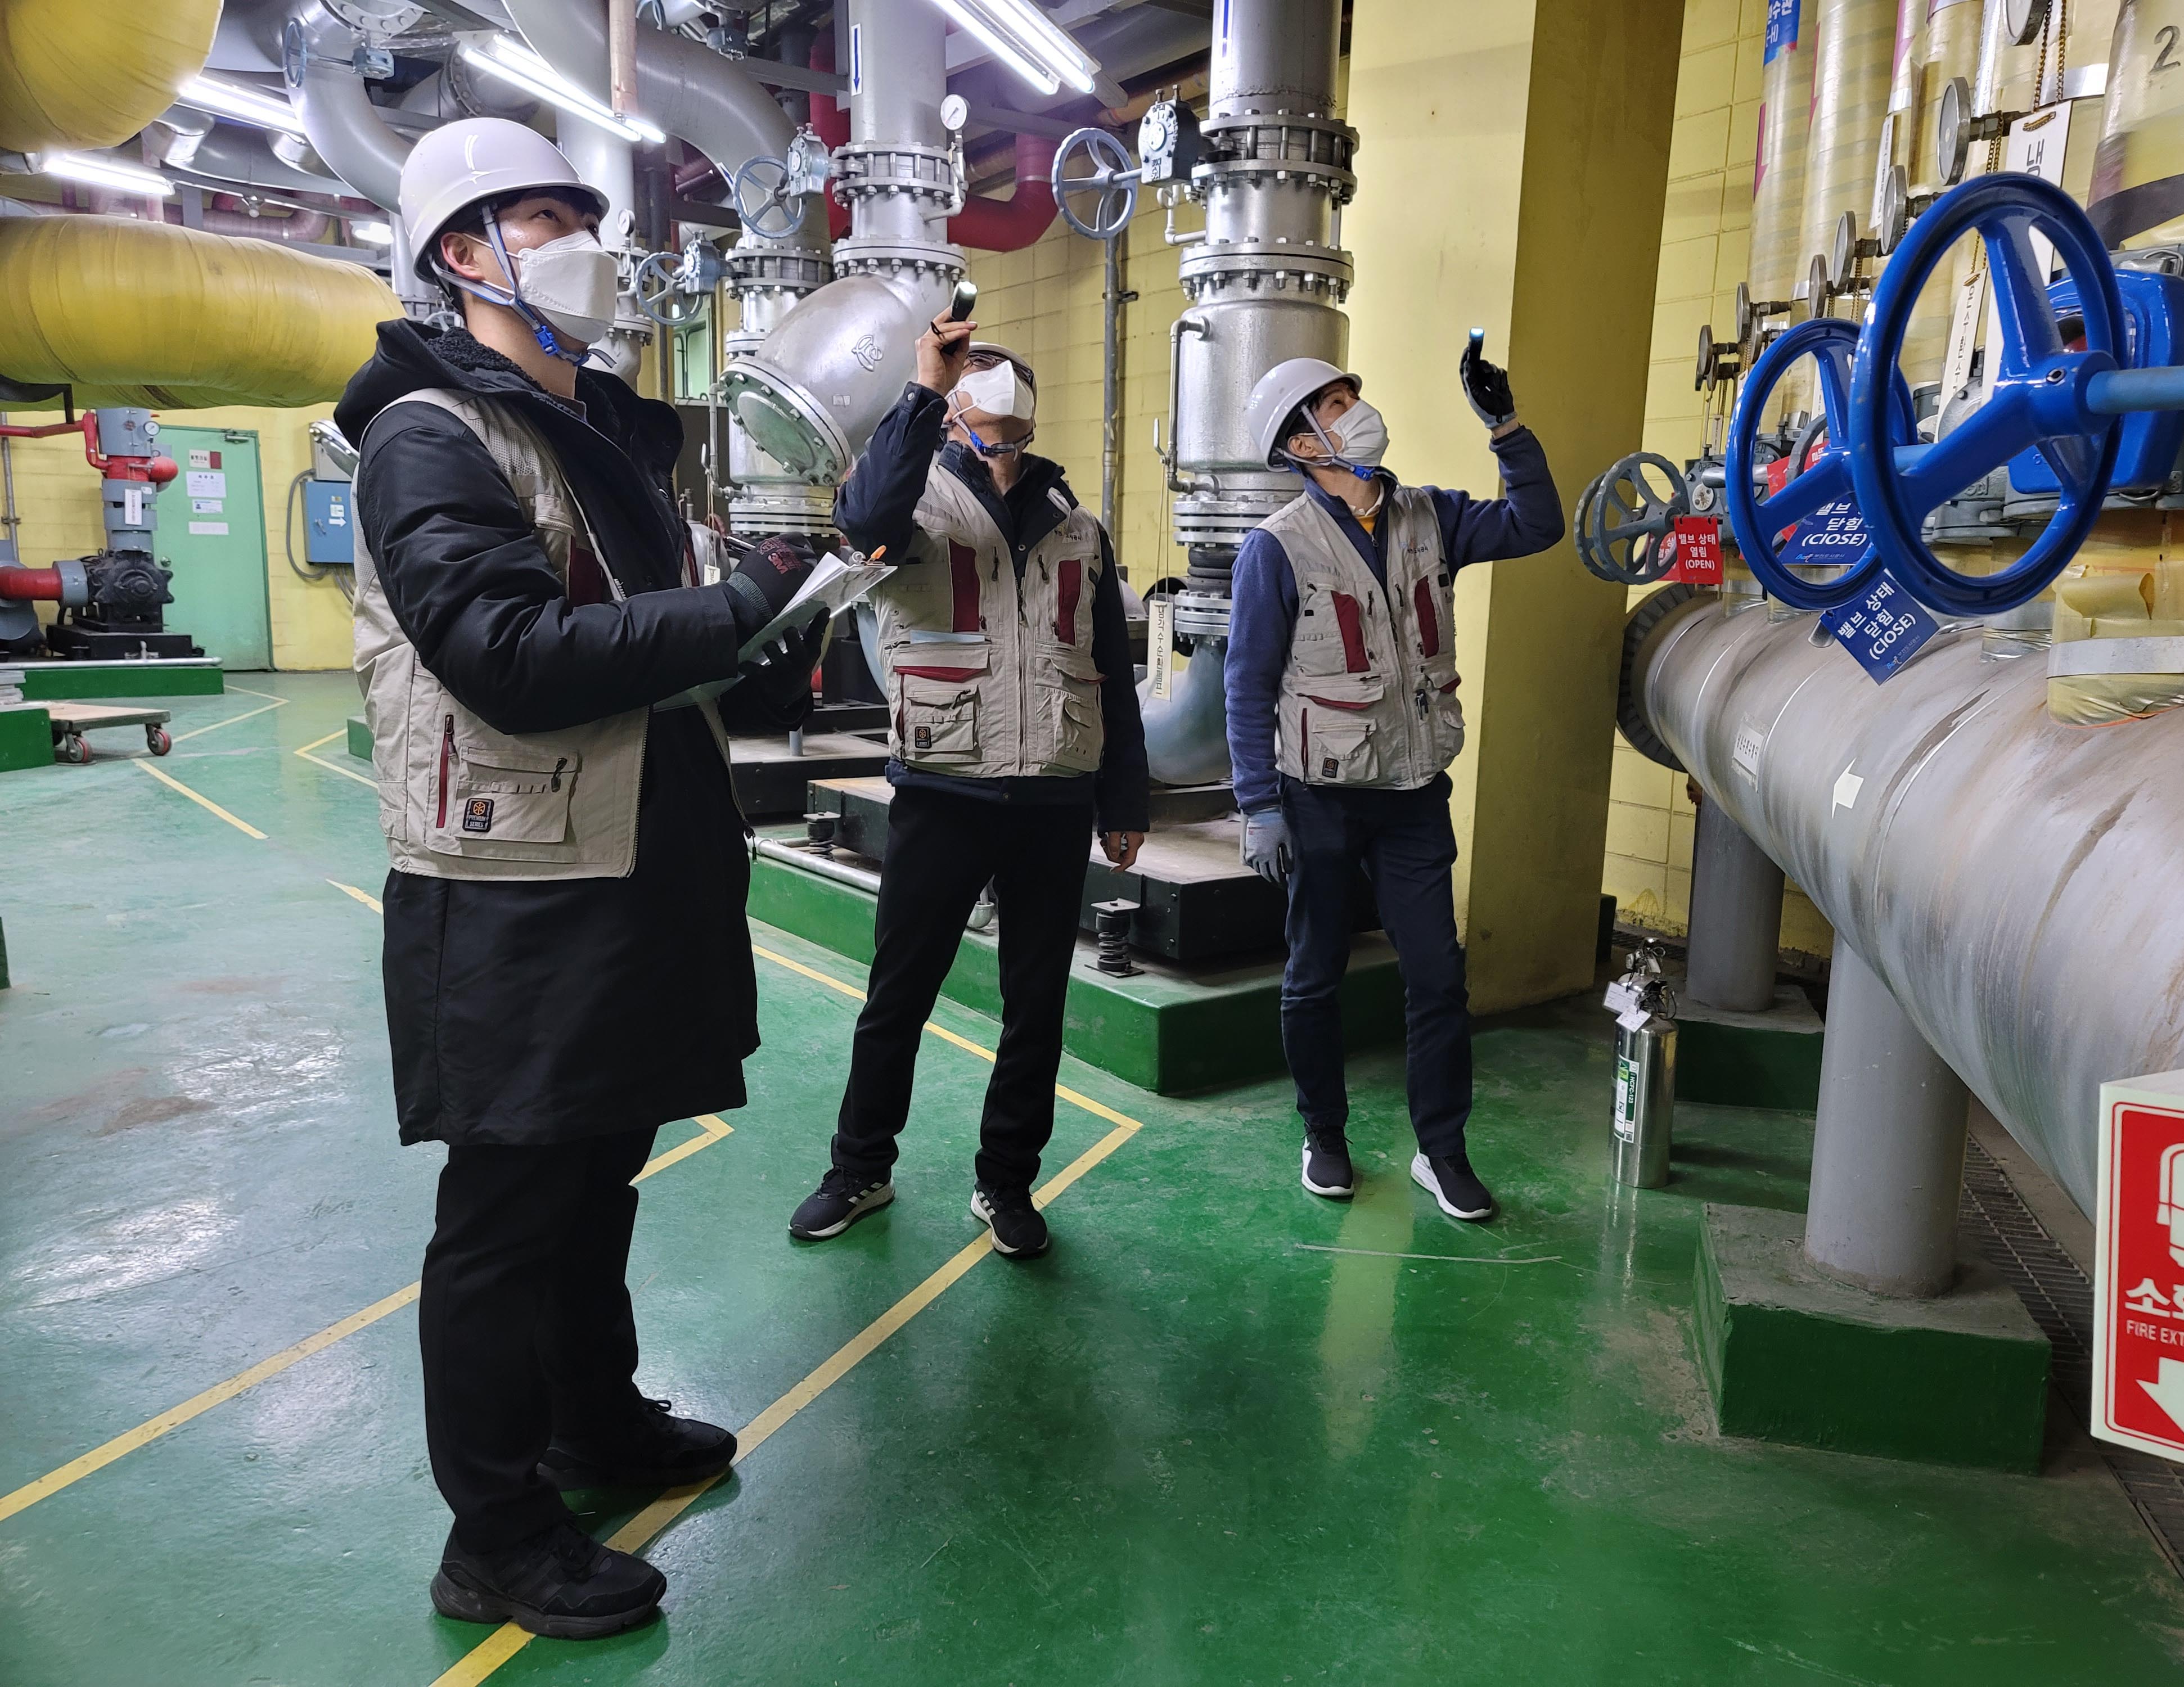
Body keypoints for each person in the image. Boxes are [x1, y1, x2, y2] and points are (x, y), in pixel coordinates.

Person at [338, 119, 821, 1640]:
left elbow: (663, 644)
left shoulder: (600, 437)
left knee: (597, 1169)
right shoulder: (430, 436)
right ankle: (492, 1536)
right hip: (512, 887)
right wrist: (731, 609)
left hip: (627, 857)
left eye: (582, 218)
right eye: (542, 219)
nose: (582, 247)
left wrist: (782, 620)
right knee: (509, 1208)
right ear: (462, 254)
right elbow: (507, 658)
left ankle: (590, 1422)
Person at [786, 322, 1149, 1259]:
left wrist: (1125, 801)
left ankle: (1008, 1182)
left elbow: (1109, 667)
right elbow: (862, 523)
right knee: (899, 996)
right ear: (952, 408)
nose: (998, 398)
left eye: (1011, 388)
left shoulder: (1077, 525)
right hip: (944, 789)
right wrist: (918, 394)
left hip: (1055, 798)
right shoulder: (915, 499)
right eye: (975, 383)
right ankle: (859, 1168)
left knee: (1036, 1007)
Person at [1224, 341, 1565, 1221]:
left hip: (1414, 796)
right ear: (1302, 444)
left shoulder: (1430, 516)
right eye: (1336, 405)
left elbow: (1538, 525)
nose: (1358, 411)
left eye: (1351, 396)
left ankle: (1441, 1153)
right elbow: (1247, 684)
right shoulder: (1278, 548)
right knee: (1314, 976)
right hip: (1319, 798)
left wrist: (1507, 427)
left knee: (1439, 978)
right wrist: (1258, 804)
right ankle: (1324, 1136)